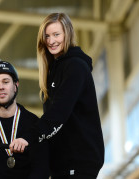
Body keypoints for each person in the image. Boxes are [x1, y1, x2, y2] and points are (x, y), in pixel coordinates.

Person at [33, 13, 105, 179]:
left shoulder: (75, 67)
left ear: (67, 34)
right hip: (61, 162)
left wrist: (30, 136)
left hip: (78, 160)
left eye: (56, 35)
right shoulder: (53, 70)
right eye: (47, 36)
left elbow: (59, 112)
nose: (51, 41)